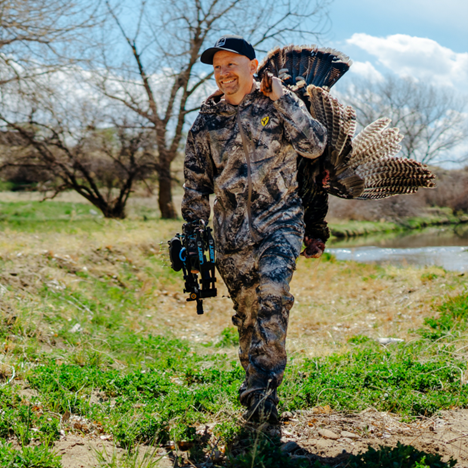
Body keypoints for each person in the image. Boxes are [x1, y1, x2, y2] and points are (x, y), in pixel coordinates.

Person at [181, 35, 328, 423]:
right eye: (217, 68)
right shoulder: (204, 123)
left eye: (231, 64)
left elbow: (314, 146)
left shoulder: (277, 105)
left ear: (252, 65)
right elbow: (195, 184)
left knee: (273, 298)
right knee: (247, 315)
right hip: (230, 235)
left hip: (280, 223)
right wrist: (193, 235)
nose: (224, 73)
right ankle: (254, 382)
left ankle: (263, 394)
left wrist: (283, 98)